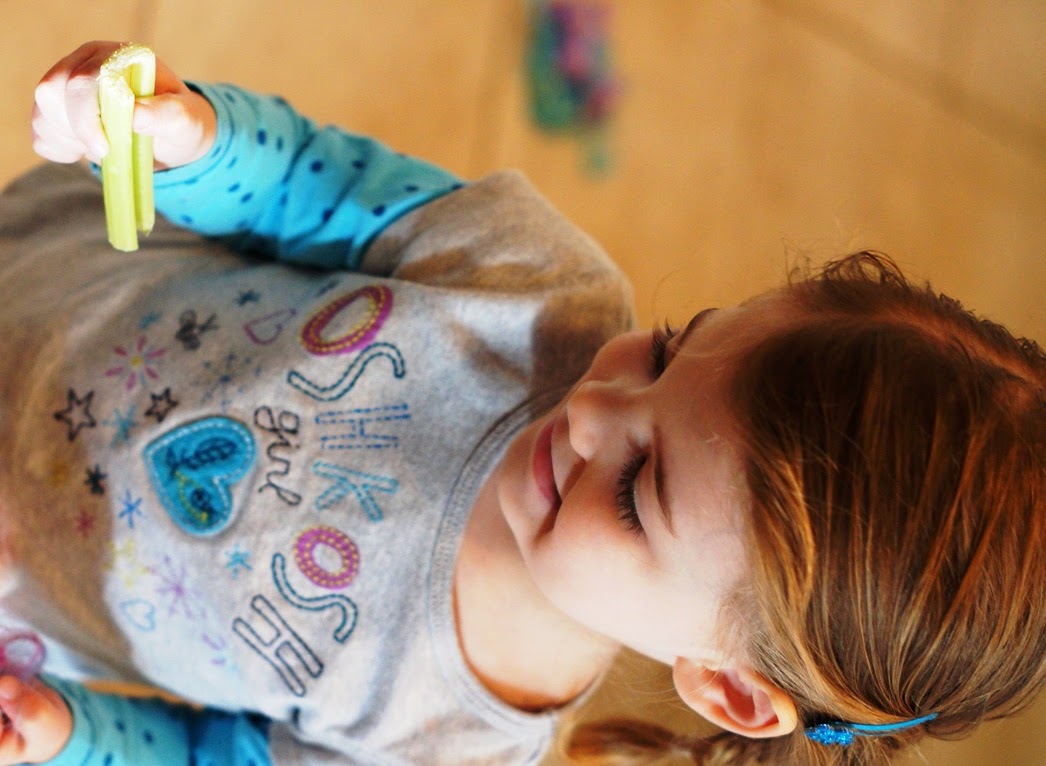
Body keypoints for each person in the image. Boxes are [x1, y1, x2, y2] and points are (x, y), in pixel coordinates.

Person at [0, 39, 1041, 766]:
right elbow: (310, 190)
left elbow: (224, 756)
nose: (592, 410)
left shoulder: (450, 743)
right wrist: (190, 138)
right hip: (33, 283)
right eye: (670, 348)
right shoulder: (537, 287)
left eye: (637, 489)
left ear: (727, 687)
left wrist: (71, 738)